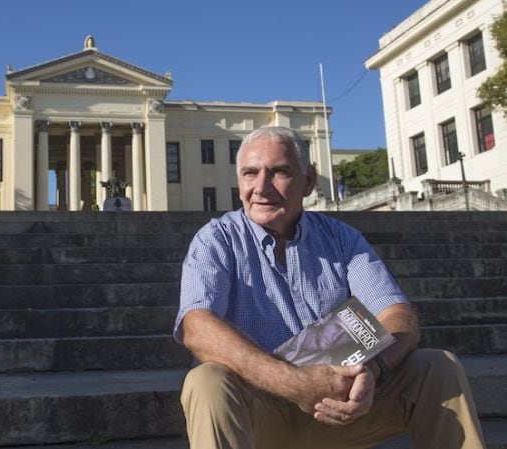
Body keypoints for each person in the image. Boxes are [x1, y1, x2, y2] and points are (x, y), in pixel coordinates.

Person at [173, 126, 485, 449]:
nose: (261, 187)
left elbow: (398, 316)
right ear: (239, 182)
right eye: (250, 173)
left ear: (308, 180)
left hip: (339, 405)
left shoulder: (341, 238)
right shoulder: (216, 240)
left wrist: (373, 369)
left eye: (279, 172)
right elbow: (196, 328)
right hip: (257, 413)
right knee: (206, 382)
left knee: (437, 367)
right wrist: (294, 383)